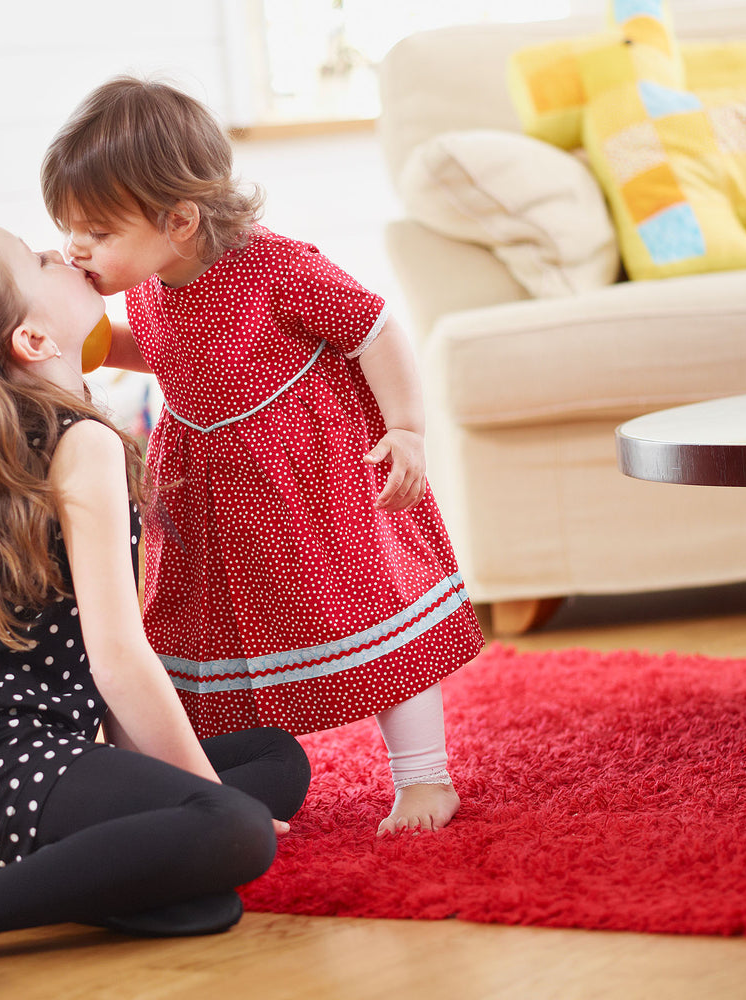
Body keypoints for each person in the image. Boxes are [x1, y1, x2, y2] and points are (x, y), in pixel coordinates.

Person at [0, 207, 310, 999]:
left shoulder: (4, 455)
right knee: (237, 826)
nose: (60, 253)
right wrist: (203, 802)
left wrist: (168, 784)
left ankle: (111, 878)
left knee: (275, 756)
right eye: (40, 261)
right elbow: (116, 660)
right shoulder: (84, 445)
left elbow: (82, 677)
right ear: (33, 342)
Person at [40, 77, 485, 839]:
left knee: (371, 608)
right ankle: (197, 772)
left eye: (98, 232)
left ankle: (423, 777)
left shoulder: (277, 268)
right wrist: (85, 343)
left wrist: (406, 429)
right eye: (69, 228)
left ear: (178, 220)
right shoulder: (151, 281)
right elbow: (170, 350)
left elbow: (374, 328)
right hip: (207, 482)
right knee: (197, 628)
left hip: (309, 477)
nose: (79, 248)